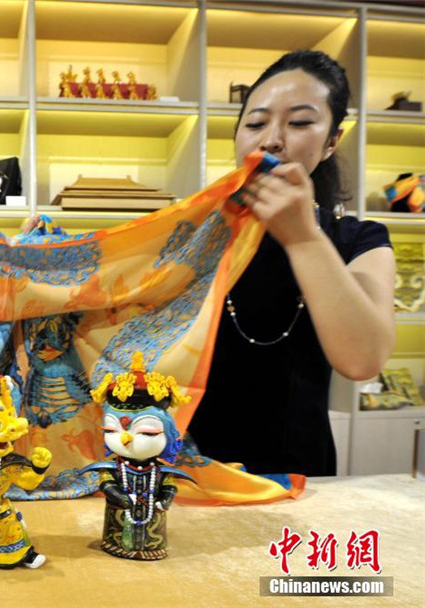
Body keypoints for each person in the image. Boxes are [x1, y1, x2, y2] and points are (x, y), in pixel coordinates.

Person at [187, 50, 395, 476]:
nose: (271, 140)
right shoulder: (192, 237)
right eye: (255, 124)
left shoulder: (359, 239)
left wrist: (302, 236)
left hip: (299, 479)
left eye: (299, 122)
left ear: (332, 141)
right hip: (189, 471)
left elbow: (363, 360)